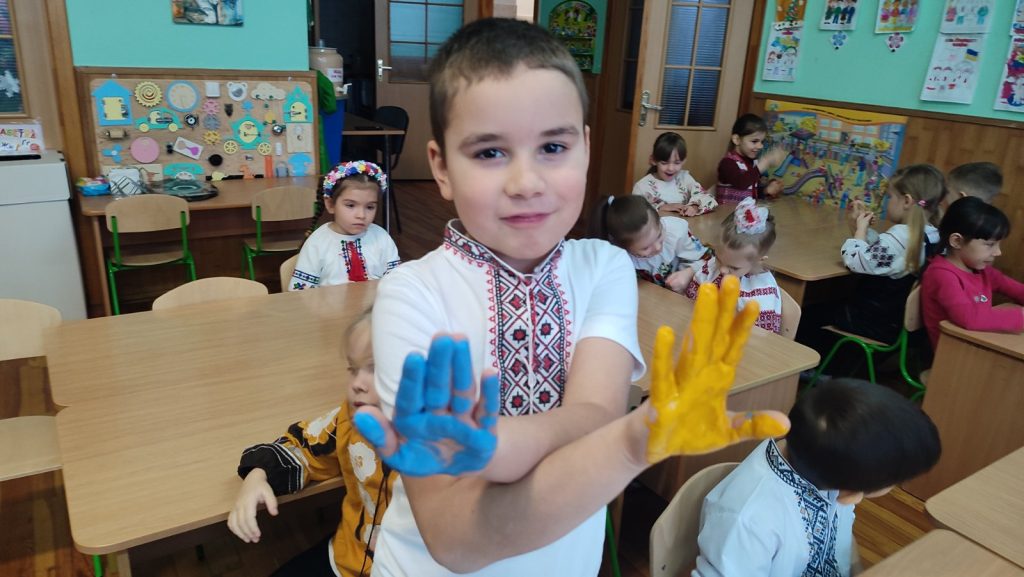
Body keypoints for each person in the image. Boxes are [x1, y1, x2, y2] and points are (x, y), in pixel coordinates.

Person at [346, 18, 788, 577]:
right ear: (441, 167)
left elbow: (597, 416)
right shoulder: (410, 293)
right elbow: (455, 540)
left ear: (585, 147)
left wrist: (498, 446)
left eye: (553, 146)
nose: (526, 182)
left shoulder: (603, 265)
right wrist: (616, 441)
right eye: (489, 152)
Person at [693, 378, 941, 577]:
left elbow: (841, 540)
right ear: (850, 495)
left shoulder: (826, 462)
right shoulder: (747, 519)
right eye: (896, 480)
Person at [227, 311, 394, 577]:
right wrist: (258, 475)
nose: (357, 384)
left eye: (376, 369)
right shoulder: (351, 418)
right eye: (352, 369)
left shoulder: (442, 451)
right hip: (348, 559)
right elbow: (305, 445)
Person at [797, 164, 944, 349]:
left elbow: (855, 260)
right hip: (893, 323)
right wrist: (859, 229)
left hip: (871, 322)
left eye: (890, 197)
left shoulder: (902, 236)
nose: (887, 202)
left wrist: (860, 230)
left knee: (806, 314)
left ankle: (814, 363)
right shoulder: (932, 235)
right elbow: (885, 256)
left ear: (907, 201)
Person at [921, 197, 1024, 350]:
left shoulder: (982, 271)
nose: (998, 252)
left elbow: (1017, 290)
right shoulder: (942, 275)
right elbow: (969, 318)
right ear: (957, 241)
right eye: (990, 244)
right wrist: (1021, 316)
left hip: (977, 344)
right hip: (954, 354)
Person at [673, 198, 783, 334]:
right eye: (718, 259)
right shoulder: (712, 268)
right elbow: (691, 305)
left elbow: (757, 339)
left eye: (734, 268)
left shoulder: (762, 296)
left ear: (759, 260)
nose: (722, 269)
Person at [289, 160, 400, 290]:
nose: (361, 215)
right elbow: (299, 292)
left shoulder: (381, 237)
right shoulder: (317, 242)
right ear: (330, 204)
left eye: (370, 207)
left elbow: (398, 281)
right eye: (350, 205)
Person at [595, 194, 708, 291]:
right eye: (645, 248)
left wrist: (690, 272)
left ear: (659, 220)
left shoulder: (675, 233)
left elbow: (708, 260)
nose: (658, 247)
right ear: (625, 248)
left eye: (659, 236)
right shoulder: (616, 255)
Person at [631, 132, 718, 217]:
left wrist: (694, 207)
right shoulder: (642, 187)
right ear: (653, 160)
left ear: (683, 161)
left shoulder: (685, 178)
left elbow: (708, 199)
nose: (671, 168)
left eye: (677, 163)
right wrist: (662, 207)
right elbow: (634, 213)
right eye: (664, 163)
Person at [716, 114, 787, 204]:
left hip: (746, 212)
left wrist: (766, 190)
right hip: (727, 212)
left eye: (762, 142)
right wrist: (764, 163)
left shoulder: (752, 163)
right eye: (754, 141)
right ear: (737, 139)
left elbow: (750, 192)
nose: (760, 146)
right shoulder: (727, 163)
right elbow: (741, 183)